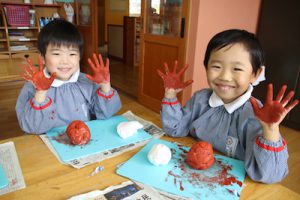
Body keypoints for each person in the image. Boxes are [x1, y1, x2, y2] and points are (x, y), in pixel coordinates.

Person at [157, 29, 299, 184]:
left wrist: (270, 130)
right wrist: (170, 95)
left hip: (231, 183)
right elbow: (175, 128)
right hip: (189, 173)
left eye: (237, 69)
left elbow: (269, 176)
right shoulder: (200, 99)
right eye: (216, 66)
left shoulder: (256, 115)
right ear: (206, 67)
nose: (224, 77)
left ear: (255, 74)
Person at [16, 19, 121, 134]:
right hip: (48, 145)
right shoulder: (32, 88)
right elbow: (32, 128)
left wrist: (105, 86)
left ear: (79, 56)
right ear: (42, 57)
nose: (65, 61)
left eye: (72, 54)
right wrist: (40, 93)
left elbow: (106, 114)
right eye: (56, 54)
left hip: (82, 143)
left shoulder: (85, 82)